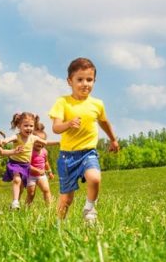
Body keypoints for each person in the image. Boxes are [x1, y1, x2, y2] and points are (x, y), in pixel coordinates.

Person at [49, 57, 120, 221]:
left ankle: (89, 209)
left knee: (95, 178)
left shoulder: (97, 104)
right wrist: (68, 124)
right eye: (79, 79)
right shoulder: (63, 102)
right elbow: (56, 127)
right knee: (66, 198)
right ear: (69, 81)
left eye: (89, 79)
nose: (85, 83)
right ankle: (58, 225)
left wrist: (113, 139)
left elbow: (104, 122)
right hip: (67, 156)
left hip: (88, 152)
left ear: (94, 81)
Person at [0, 112, 51, 210]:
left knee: (21, 187)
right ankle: (15, 202)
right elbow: (9, 139)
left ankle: (15, 204)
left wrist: (61, 142)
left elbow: (46, 142)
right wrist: (4, 141)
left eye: (31, 126)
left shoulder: (33, 138)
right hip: (15, 164)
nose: (29, 128)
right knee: (17, 180)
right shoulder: (17, 136)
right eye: (26, 125)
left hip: (25, 166)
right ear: (19, 126)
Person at [25, 124, 57, 207]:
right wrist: (37, 170)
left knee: (46, 190)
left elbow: (46, 162)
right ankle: (26, 208)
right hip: (30, 175)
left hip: (41, 175)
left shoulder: (44, 151)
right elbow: (27, 165)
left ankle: (49, 207)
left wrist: (49, 172)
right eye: (37, 141)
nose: (40, 144)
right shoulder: (29, 151)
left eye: (42, 141)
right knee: (31, 193)